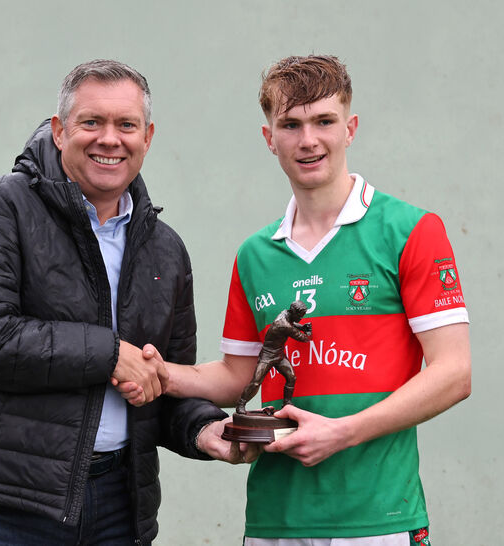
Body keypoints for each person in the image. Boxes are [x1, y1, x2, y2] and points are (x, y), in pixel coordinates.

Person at [126, 55, 471, 545]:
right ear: (270, 139)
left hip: (379, 519)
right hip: (275, 519)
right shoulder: (254, 255)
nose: (308, 140)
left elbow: (454, 374)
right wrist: (157, 370)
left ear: (349, 128)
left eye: (324, 121)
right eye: (291, 124)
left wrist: (343, 432)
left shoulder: (411, 230)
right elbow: (238, 377)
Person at [0, 59, 238, 546]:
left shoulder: (165, 247)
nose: (109, 139)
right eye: (91, 122)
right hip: (7, 504)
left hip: (120, 503)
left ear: (147, 136)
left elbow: (166, 378)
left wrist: (204, 430)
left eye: (126, 125)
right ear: (58, 130)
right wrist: (112, 354)